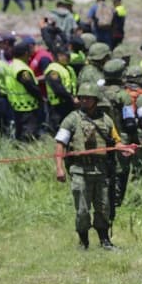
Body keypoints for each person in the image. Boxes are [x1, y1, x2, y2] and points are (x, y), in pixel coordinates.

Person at [54, 82, 135, 250]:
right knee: (82, 210)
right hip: (80, 171)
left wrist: (124, 149)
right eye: (81, 98)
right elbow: (60, 143)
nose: (83, 101)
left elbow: (116, 142)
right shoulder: (72, 119)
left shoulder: (106, 120)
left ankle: (105, 241)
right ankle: (83, 243)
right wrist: (59, 168)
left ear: (95, 100)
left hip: (101, 171)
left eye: (87, 98)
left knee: (103, 208)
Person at [9, 42, 41, 141]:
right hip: (28, 106)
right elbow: (31, 87)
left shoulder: (12, 65)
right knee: (28, 135)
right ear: (25, 53)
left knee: (19, 132)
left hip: (17, 105)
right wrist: (41, 98)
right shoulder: (22, 69)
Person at [44, 46, 78, 130]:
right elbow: (58, 89)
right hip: (58, 105)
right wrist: (71, 98)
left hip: (69, 102)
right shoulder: (53, 69)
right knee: (59, 128)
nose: (67, 57)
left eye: (67, 55)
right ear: (56, 56)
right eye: (63, 55)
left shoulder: (68, 68)